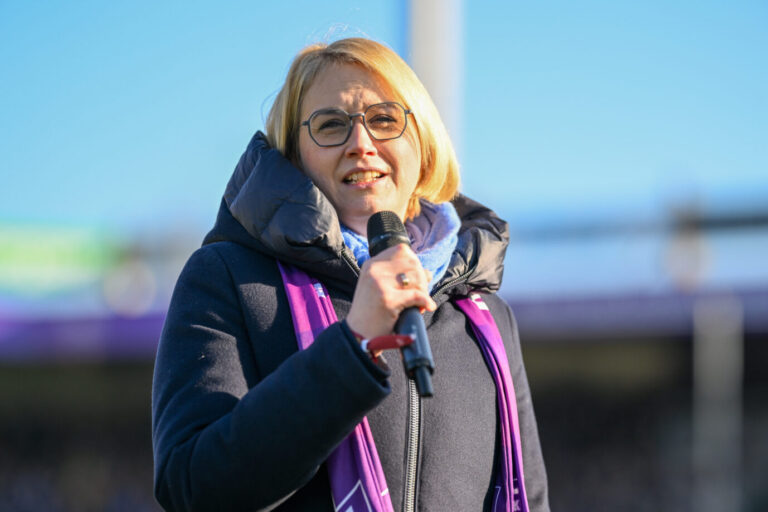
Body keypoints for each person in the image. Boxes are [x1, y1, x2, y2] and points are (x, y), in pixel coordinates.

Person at [152, 37, 549, 511]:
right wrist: (353, 345)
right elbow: (192, 487)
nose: (361, 144)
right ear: (294, 157)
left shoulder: (487, 317)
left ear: (421, 143)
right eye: (331, 125)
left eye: (384, 120)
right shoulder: (226, 277)